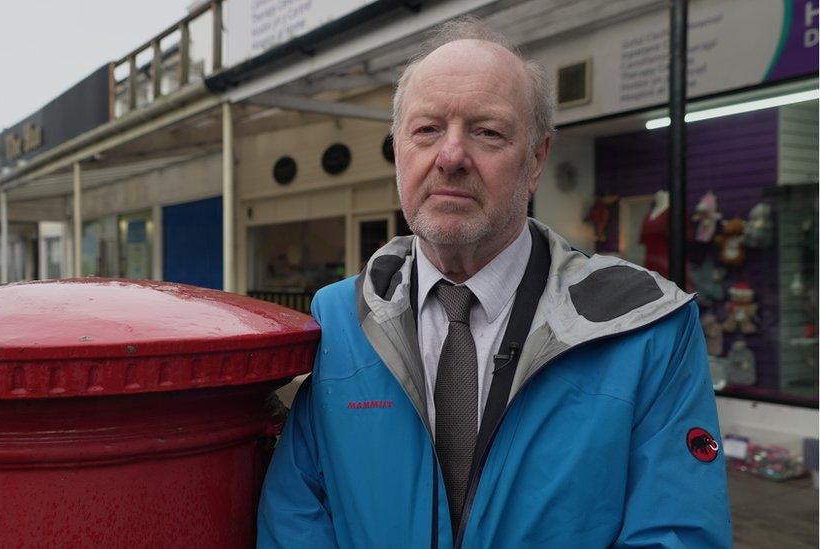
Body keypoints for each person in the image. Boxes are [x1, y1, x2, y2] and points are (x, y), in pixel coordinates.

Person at [258, 17, 731, 548]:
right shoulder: (340, 317)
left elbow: (677, 534)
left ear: (536, 160)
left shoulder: (647, 327)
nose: (452, 156)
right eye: (426, 129)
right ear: (399, 150)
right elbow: (297, 512)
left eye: (488, 132)